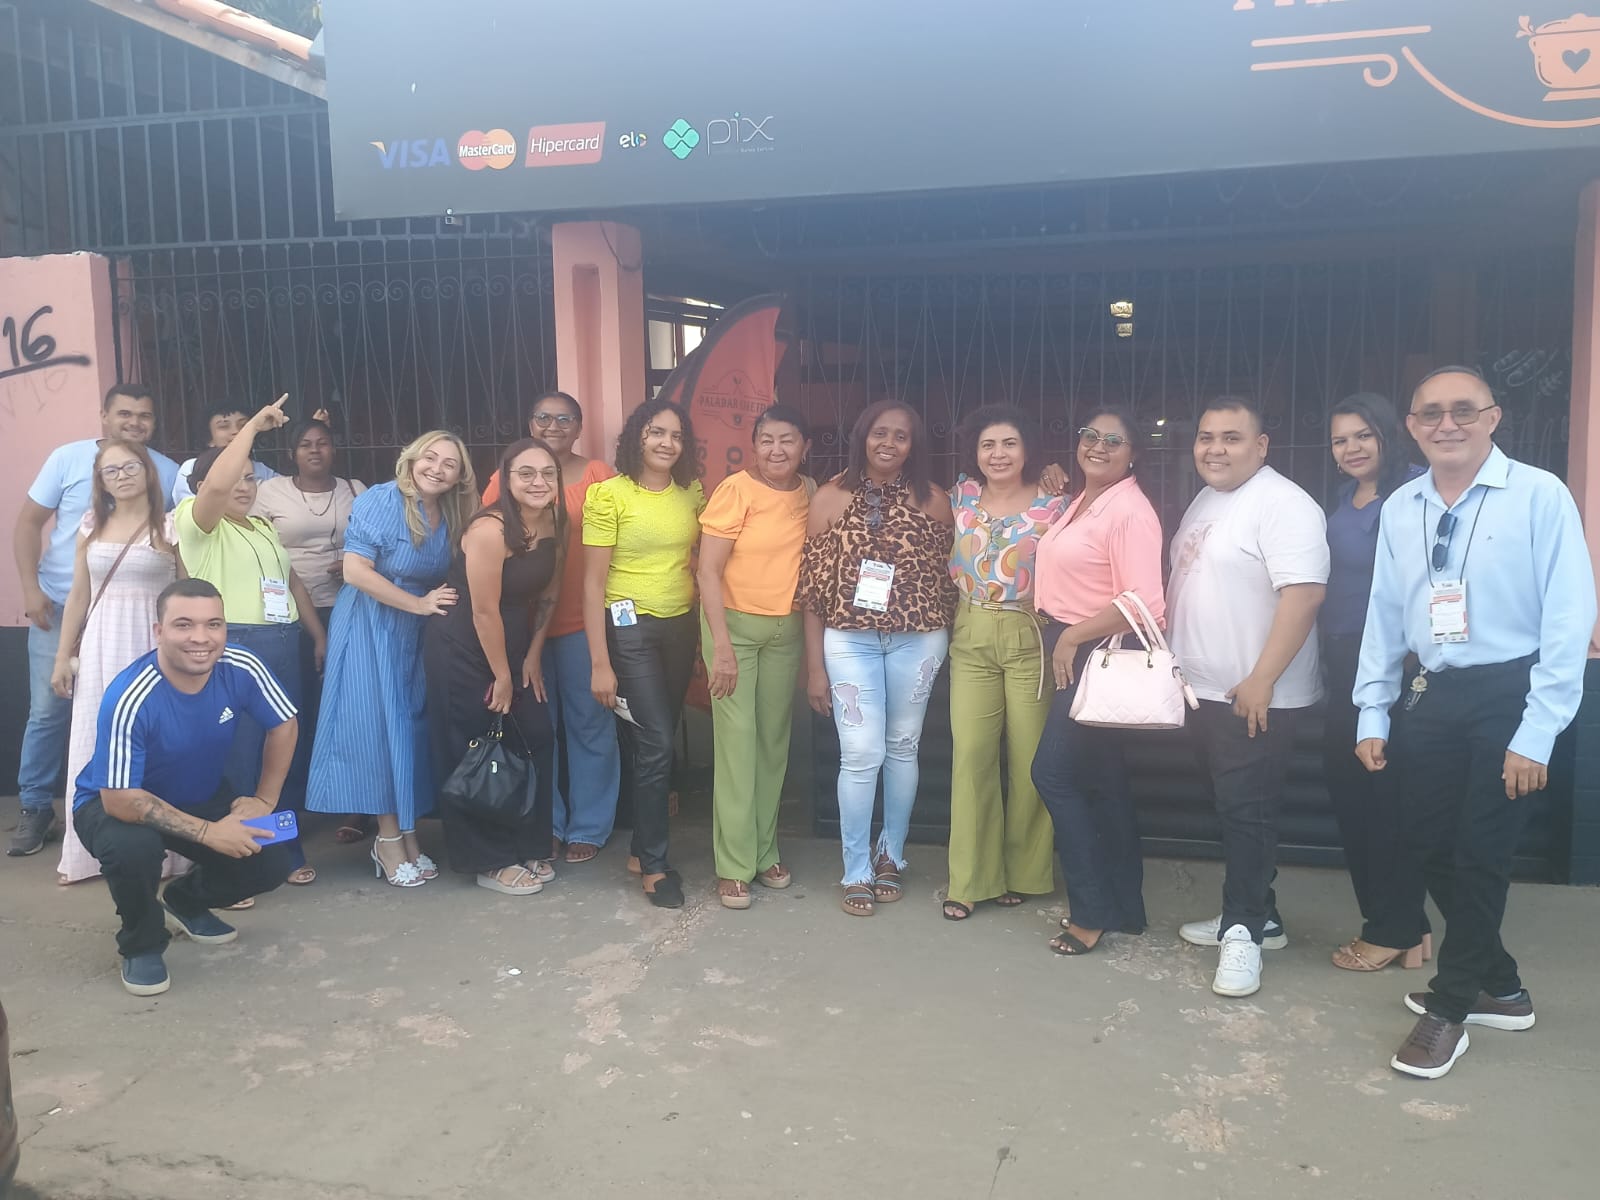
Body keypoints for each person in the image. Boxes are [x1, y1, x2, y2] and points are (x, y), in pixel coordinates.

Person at [1355, 366, 1596, 1079]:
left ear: (1493, 418)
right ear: (1411, 426)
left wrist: (1538, 730)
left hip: (1510, 692)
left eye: (1463, 410)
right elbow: (1384, 611)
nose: (1447, 424)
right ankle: (1503, 986)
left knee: (1481, 853)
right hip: (1431, 690)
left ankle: (1451, 1006)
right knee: (1425, 841)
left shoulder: (1539, 495)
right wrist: (1372, 708)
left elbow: (1569, 614)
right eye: (1430, 413)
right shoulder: (1402, 507)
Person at [1168, 396, 1328, 997]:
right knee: (1231, 809)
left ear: (1261, 446)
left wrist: (1262, 678)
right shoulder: (1208, 500)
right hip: (1203, 692)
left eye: (1231, 438)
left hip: (1254, 695)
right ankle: (1263, 914)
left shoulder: (1284, 503)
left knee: (1247, 814)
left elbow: (1304, 595)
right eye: (1206, 437)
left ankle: (1244, 933)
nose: (1215, 448)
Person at [71, 578, 300, 995]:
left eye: (213, 624)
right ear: (158, 632)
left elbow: (284, 723)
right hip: (112, 803)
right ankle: (142, 944)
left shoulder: (242, 666)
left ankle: (185, 901)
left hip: (199, 793)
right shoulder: (130, 695)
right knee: (135, 850)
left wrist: (264, 799)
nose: (201, 638)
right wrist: (210, 833)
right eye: (184, 625)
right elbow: (120, 800)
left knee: (271, 860)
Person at [799, 400, 957, 917]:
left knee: (903, 747)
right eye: (879, 433)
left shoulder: (934, 501)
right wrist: (814, 669)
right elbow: (812, 591)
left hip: (918, 641)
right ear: (862, 437)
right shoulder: (829, 497)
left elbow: (951, 581)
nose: (889, 443)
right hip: (850, 641)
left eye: (901, 436)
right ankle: (855, 868)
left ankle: (891, 853)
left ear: (914, 445)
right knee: (861, 753)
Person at [10, 383, 181, 857]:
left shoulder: (166, 471)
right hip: (61, 605)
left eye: (144, 415)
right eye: (125, 413)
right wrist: (30, 589)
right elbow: (28, 523)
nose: (134, 422)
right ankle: (35, 807)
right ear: (104, 415)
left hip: (139, 620)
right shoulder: (67, 458)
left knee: (143, 720)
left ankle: (151, 828)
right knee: (50, 711)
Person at [306, 431, 472, 886]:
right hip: (370, 624)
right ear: (411, 459)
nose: (437, 468)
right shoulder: (382, 500)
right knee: (378, 728)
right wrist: (418, 604)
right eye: (430, 458)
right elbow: (355, 571)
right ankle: (387, 838)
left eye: (450, 464)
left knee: (409, 729)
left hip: (413, 632)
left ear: (460, 476)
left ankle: (409, 832)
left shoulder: (451, 511)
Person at [1030, 407, 1166, 953]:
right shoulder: (1084, 501)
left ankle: (1090, 911)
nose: (1099, 446)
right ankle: (1126, 907)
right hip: (1073, 644)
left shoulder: (1129, 510)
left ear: (1133, 455)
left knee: (1052, 774)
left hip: (1093, 652)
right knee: (1103, 781)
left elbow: (1145, 602)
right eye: (1091, 435)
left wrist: (1072, 637)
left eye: (1114, 440)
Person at [177, 396, 324, 887]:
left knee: (282, 750)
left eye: (250, 478)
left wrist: (316, 635)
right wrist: (253, 429)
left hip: (282, 643)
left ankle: (281, 851)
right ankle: (231, 864)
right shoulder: (198, 523)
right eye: (233, 478)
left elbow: (292, 583)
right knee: (238, 756)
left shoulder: (262, 528)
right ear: (203, 487)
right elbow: (217, 484)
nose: (242, 486)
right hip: (236, 646)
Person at [481, 391, 620, 864]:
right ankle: (548, 823)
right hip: (524, 626)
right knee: (538, 728)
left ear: (579, 427)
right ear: (530, 423)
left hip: (584, 621)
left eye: (565, 418)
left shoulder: (599, 475)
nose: (553, 425)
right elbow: (488, 540)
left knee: (591, 724)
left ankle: (590, 826)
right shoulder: (506, 478)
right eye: (543, 416)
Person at [941, 406, 1065, 921]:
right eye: (988, 444)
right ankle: (971, 878)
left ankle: (1024, 872)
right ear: (975, 452)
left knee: (1030, 758)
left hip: (1029, 633)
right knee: (971, 754)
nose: (998, 454)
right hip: (971, 633)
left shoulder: (1056, 504)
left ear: (1027, 449)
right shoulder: (960, 496)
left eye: (1009, 443)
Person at [1322, 394, 1431, 973]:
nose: (1352, 448)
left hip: (1393, 666)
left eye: (1363, 435)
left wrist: (1411, 655)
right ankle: (1409, 927)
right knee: (1355, 795)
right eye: (1340, 440)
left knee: (1382, 799)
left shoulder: (1416, 491)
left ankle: (1390, 929)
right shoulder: (1346, 499)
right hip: (1343, 662)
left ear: (1389, 434)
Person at [583, 398, 705, 909]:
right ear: (637, 436)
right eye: (656, 432)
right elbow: (592, 584)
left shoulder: (691, 493)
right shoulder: (608, 495)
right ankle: (655, 865)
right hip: (628, 628)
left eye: (676, 435)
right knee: (655, 742)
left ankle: (639, 848)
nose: (666, 443)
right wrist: (599, 662)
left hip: (680, 625)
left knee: (657, 738)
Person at [48, 441, 189, 884]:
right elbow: (79, 595)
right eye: (111, 471)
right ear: (101, 481)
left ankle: (166, 853)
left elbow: (185, 591)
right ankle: (89, 854)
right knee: (93, 740)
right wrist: (62, 656)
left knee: (156, 743)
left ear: (147, 471)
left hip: (151, 646)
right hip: (100, 648)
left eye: (130, 466)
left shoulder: (170, 526)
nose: (122, 475)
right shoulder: (91, 523)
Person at [427, 440, 563, 895]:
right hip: (464, 645)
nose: (539, 482)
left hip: (516, 642)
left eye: (547, 472)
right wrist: (502, 676)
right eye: (526, 473)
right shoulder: (490, 529)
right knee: (475, 749)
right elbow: (483, 610)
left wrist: (532, 656)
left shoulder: (554, 520)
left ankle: (529, 843)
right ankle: (488, 860)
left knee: (536, 736)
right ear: (506, 479)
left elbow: (549, 594)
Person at [697, 405, 813, 910]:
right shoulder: (735, 491)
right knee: (737, 744)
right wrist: (721, 647)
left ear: (804, 446)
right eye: (767, 440)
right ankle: (734, 864)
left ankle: (766, 852)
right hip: (734, 632)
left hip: (786, 631)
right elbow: (707, 572)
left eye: (787, 440)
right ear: (754, 445)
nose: (777, 450)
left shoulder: (811, 492)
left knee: (772, 743)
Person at [253, 417, 367, 842]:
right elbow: (256, 546)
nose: (315, 450)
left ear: (334, 449)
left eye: (322, 442)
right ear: (291, 453)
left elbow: (376, 541)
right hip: (286, 614)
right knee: (291, 710)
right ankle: (293, 804)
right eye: (305, 444)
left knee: (344, 709)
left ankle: (355, 805)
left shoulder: (356, 489)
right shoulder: (270, 492)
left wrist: (353, 561)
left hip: (347, 608)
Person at [170, 398, 278, 504]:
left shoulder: (261, 470)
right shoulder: (191, 468)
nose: (236, 431)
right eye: (224, 426)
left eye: (243, 425)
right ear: (209, 439)